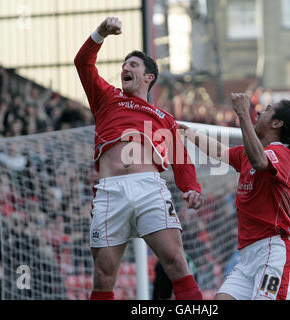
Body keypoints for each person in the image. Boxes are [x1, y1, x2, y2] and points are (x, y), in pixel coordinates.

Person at [74, 17, 203, 300]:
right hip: (109, 192)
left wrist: (191, 188)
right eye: (124, 65)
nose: (125, 68)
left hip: (149, 188)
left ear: (149, 77)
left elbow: (181, 159)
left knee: (177, 264)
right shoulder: (107, 98)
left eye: (133, 65)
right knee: (103, 278)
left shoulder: (164, 118)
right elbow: (83, 62)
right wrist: (101, 33)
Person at [179, 93, 290, 300]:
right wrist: (188, 133)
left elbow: (260, 161)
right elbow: (221, 152)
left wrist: (243, 114)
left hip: (273, 253)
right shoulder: (247, 155)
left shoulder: (280, 154)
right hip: (248, 256)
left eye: (267, 110)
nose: (259, 112)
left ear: (277, 123)